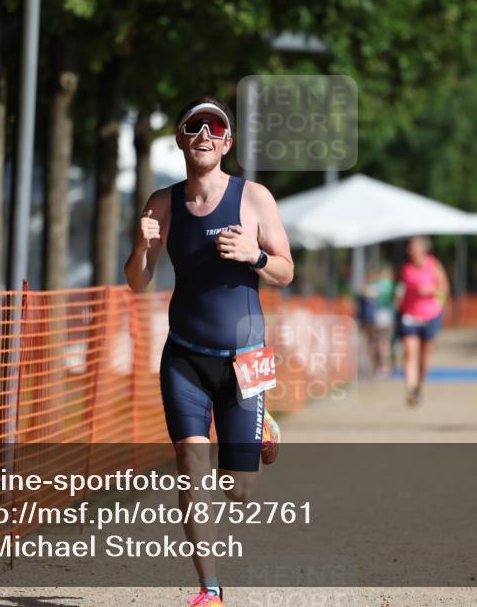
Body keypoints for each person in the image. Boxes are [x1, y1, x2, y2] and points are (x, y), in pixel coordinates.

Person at [124, 96, 294, 607]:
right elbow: (137, 282)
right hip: (185, 358)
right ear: (180, 139)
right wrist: (140, 245)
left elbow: (287, 270)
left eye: (213, 127)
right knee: (191, 466)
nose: (203, 134)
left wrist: (255, 254)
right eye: (192, 126)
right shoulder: (161, 203)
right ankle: (210, 590)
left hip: (247, 359)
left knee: (238, 490)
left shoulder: (254, 198)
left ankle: (263, 423)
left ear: (227, 142)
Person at [395, 236, 449, 406]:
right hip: (409, 316)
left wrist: (431, 291)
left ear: (423, 249)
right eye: (409, 247)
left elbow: (444, 288)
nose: (409, 251)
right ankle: (410, 390)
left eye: (413, 247)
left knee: (424, 356)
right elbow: (397, 287)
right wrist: (397, 296)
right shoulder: (405, 268)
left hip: (430, 315)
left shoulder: (433, 265)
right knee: (409, 353)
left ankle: (419, 386)